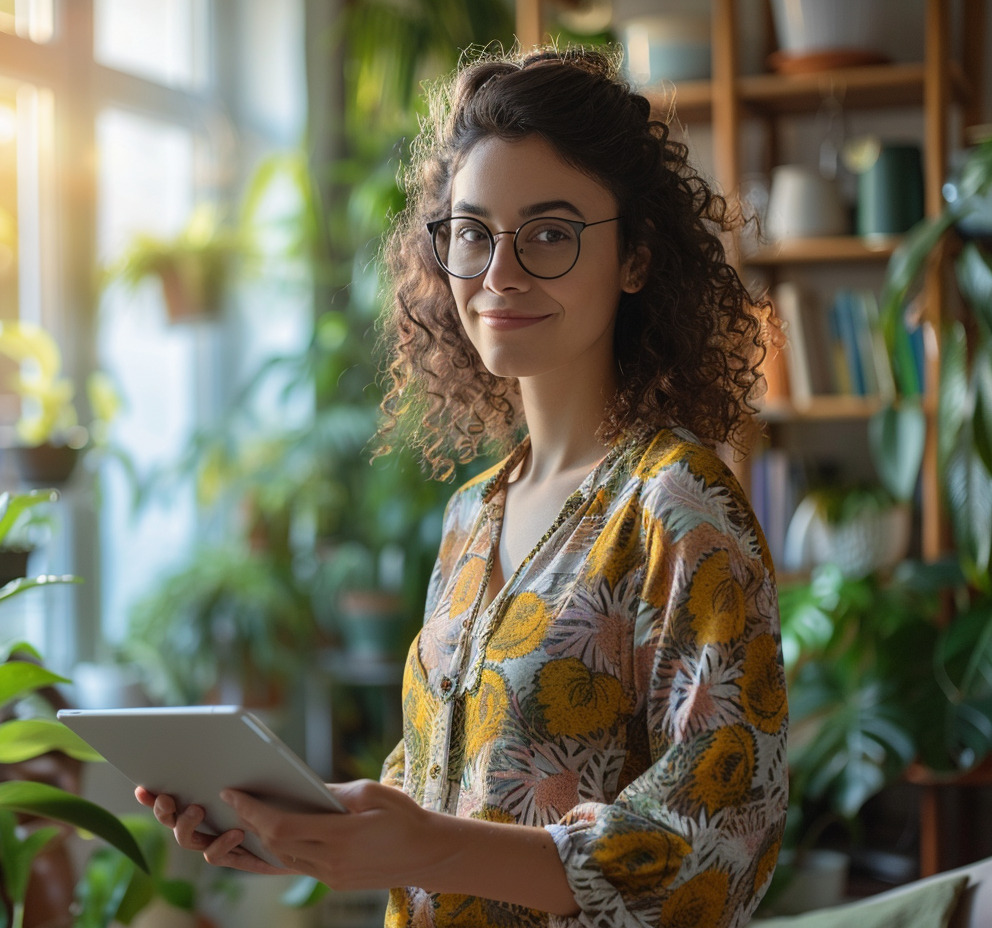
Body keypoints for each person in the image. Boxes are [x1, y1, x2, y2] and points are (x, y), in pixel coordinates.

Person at [137, 44, 789, 928]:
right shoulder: (472, 514)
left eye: (550, 233)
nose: (498, 274)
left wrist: (427, 847)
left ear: (636, 257)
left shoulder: (678, 504)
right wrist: (305, 830)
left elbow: (718, 846)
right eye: (473, 232)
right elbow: (447, 794)